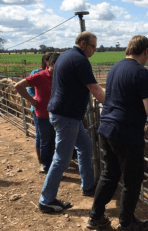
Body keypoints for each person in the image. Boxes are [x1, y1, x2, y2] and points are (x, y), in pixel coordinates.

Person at [87, 35, 148, 231]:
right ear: (145, 52)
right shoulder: (141, 72)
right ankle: (127, 223)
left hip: (107, 128)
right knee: (133, 180)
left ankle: (95, 217)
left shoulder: (115, 68)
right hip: (127, 132)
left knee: (109, 175)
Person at [38, 31, 105, 213]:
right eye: (93, 46)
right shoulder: (80, 60)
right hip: (66, 116)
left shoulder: (66, 55)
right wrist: (113, 104)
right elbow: (94, 88)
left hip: (66, 114)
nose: (94, 50)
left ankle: (88, 185)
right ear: (83, 44)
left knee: (84, 146)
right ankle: (46, 200)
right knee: (62, 158)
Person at [15, 53, 60, 174]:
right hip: (43, 114)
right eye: (58, 64)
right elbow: (18, 85)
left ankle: (55, 164)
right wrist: (32, 101)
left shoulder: (60, 75)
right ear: (50, 64)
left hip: (58, 114)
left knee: (56, 140)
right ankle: (45, 165)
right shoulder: (39, 75)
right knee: (45, 140)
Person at [26, 52, 53, 172]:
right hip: (38, 109)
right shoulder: (36, 73)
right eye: (48, 60)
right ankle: (42, 162)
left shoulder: (55, 74)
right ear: (45, 61)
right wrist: (34, 99)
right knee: (41, 137)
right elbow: (29, 88)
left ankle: (50, 160)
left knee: (50, 136)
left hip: (51, 110)